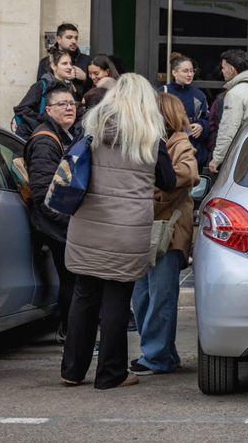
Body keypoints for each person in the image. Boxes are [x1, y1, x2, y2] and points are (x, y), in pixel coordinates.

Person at [61, 74, 177, 390]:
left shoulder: (91, 129)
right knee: (116, 298)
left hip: (87, 223)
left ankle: (72, 370)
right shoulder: (150, 136)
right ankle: (110, 373)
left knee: (84, 294)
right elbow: (168, 181)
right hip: (128, 228)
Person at [130, 93, 199, 376]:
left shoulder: (179, 143)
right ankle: (163, 353)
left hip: (167, 230)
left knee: (160, 296)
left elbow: (188, 174)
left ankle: (156, 356)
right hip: (147, 228)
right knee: (143, 295)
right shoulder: (149, 143)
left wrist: (152, 194)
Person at [24, 83, 80, 343]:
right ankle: (69, 333)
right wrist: (68, 221)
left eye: (72, 103)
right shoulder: (46, 140)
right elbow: (42, 194)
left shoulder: (64, 135)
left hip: (62, 222)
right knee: (72, 281)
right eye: (62, 104)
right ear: (48, 109)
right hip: (55, 225)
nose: (69, 107)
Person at [207, 50, 248, 175]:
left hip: (244, 157)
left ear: (231, 69)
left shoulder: (235, 94)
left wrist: (217, 159)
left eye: (223, 67)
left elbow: (228, 130)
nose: (222, 71)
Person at [159, 54, 211, 168]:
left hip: (193, 154)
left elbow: (207, 120)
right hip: (167, 153)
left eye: (192, 71)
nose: (190, 74)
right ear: (174, 73)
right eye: (185, 71)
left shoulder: (199, 95)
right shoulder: (163, 93)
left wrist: (201, 126)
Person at [14, 47, 78, 138]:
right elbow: (22, 108)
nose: (69, 67)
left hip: (55, 135)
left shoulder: (69, 88)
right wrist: (45, 120)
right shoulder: (41, 85)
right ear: (53, 66)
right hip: (34, 136)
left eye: (70, 63)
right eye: (64, 63)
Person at [36, 23, 91, 92]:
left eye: (76, 38)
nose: (74, 41)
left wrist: (86, 78)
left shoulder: (87, 60)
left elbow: (98, 89)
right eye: (69, 37)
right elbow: (40, 89)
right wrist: (61, 78)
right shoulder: (46, 62)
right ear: (58, 39)